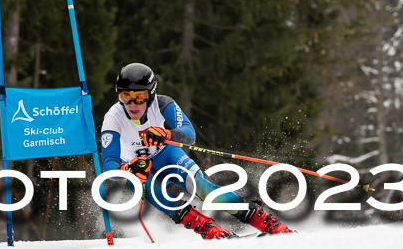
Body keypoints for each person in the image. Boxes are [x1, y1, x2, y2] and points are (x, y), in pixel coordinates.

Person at [100, 62, 293, 239]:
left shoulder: (162, 104)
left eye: (139, 96)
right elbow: (109, 167)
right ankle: (207, 228)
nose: (132, 103)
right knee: (152, 192)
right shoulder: (113, 118)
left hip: (166, 154)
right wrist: (127, 170)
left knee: (201, 187)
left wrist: (166, 134)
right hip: (138, 168)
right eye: (125, 96)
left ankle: (262, 220)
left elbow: (189, 133)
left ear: (151, 94)